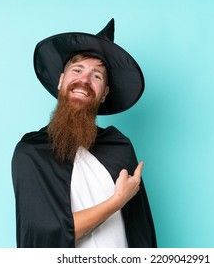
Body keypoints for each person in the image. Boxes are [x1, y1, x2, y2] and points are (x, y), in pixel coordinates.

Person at [11, 19, 157, 248]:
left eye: (97, 76)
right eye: (77, 70)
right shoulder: (31, 152)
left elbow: (141, 232)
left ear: (104, 93)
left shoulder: (119, 147)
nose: (85, 80)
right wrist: (117, 200)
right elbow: (47, 234)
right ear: (61, 80)